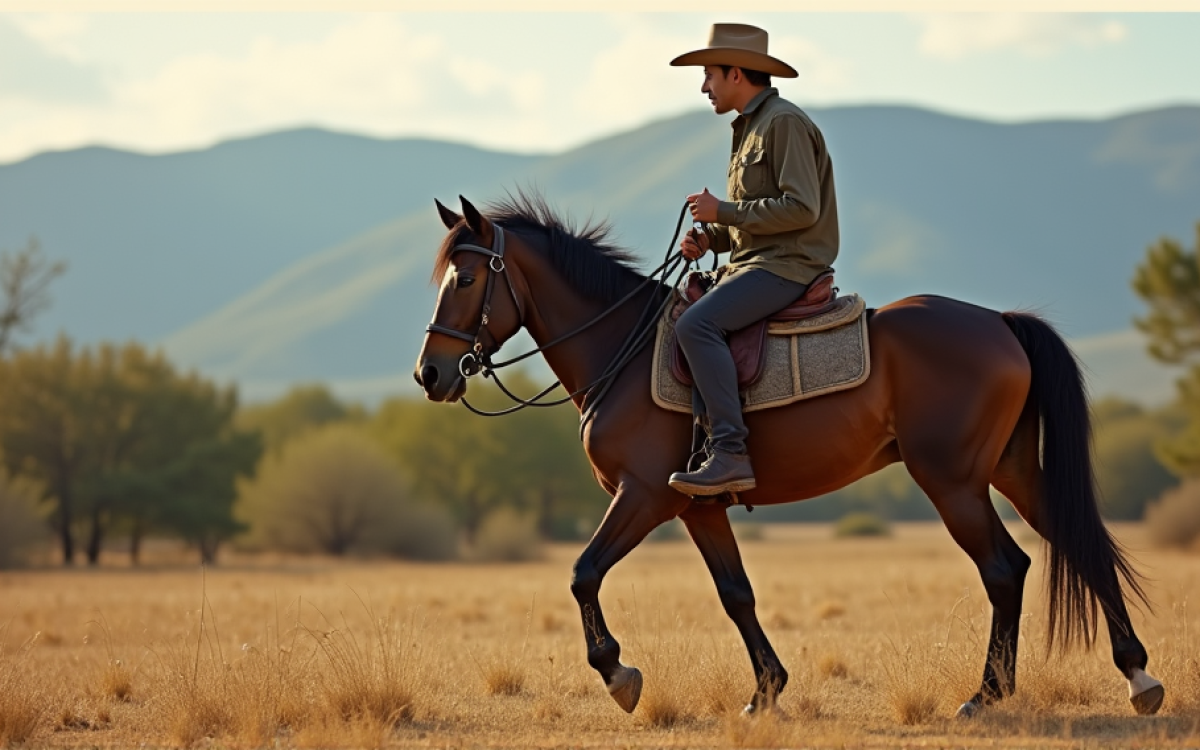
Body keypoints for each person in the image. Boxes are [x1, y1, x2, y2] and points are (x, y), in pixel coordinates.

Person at [666, 22, 840, 496]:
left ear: (736, 72)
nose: (704, 86)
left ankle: (729, 452)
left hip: (788, 265)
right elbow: (756, 217)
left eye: (709, 76)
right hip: (757, 262)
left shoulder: (783, 123)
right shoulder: (750, 127)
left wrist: (720, 209)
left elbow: (802, 208)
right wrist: (712, 239)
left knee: (695, 327)